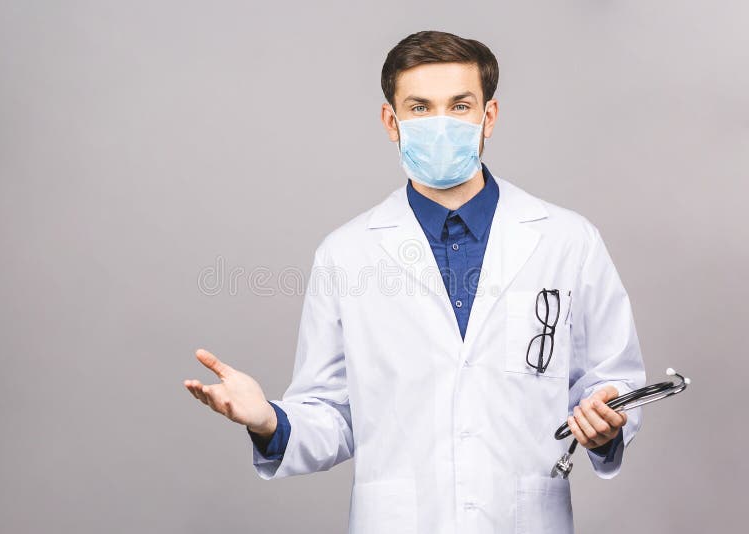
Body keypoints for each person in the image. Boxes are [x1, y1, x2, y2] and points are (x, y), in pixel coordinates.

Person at [184, 30, 646, 534]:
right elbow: (332, 413)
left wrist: (606, 420)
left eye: (460, 105)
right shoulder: (346, 253)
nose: (441, 124)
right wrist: (269, 420)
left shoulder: (567, 240)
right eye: (421, 108)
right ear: (392, 120)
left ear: (488, 117)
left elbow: (610, 377)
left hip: (525, 518)